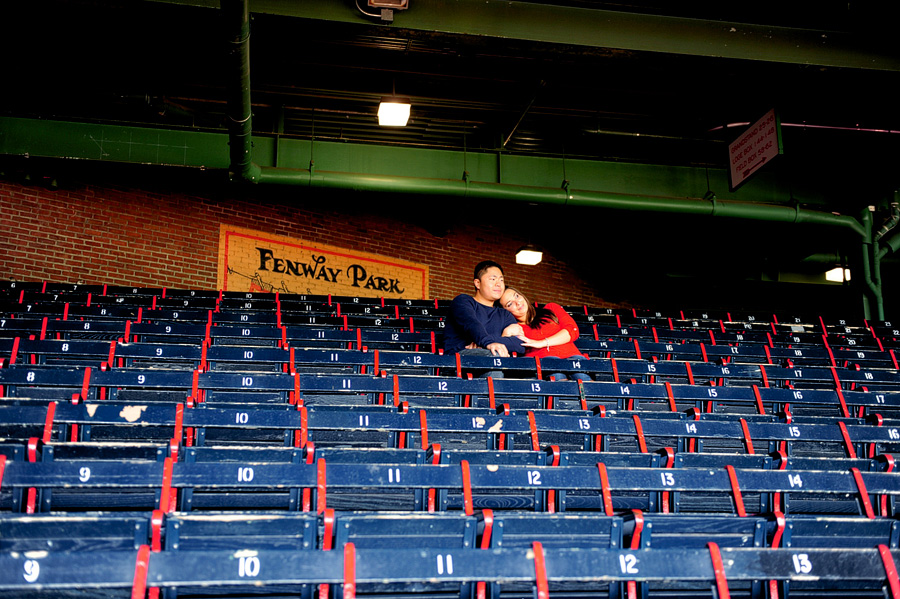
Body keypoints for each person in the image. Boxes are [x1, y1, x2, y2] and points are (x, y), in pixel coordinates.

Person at [499, 286, 590, 380]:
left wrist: (541, 343)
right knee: (557, 375)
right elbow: (506, 357)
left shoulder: (551, 309)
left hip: (573, 357)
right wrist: (505, 334)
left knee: (584, 379)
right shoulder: (515, 328)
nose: (518, 303)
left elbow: (572, 330)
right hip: (544, 364)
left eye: (517, 296)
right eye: (510, 304)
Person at [442, 261, 525, 358]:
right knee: (495, 354)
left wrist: (485, 343)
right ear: (477, 283)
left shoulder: (505, 314)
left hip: (491, 356)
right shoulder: (463, 301)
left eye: (501, 280)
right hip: (459, 357)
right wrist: (488, 343)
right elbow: (471, 323)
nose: (499, 284)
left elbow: (520, 345)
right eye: (493, 279)